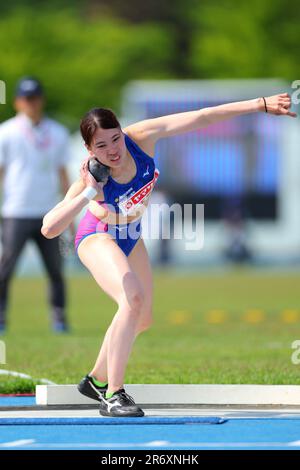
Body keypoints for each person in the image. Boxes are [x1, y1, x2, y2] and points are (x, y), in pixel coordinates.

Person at [41, 94, 296, 417]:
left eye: (115, 138)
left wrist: (258, 105)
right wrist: (90, 190)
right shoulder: (88, 177)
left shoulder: (142, 137)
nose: (113, 151)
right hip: (97, 236)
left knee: (142, 318)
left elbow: (202, 116)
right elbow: (49, 228)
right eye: (101, 146)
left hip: (132, 237)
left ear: (123, 131)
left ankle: (95, 380)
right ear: (90, 150)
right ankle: (114, 394)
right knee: (130, 301)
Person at [0, 77, 73, 334]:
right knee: (5, 268)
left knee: (55, 269)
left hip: (49, 212)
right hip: (16, 210)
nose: (31, 104)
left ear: (41, 100)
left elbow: (64, 174)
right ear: (18, 101)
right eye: (26, 99)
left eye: (35, 98)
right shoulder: (6, 132)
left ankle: (59, 318)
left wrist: (70, 212)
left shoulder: (57, 132)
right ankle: (1, 318)